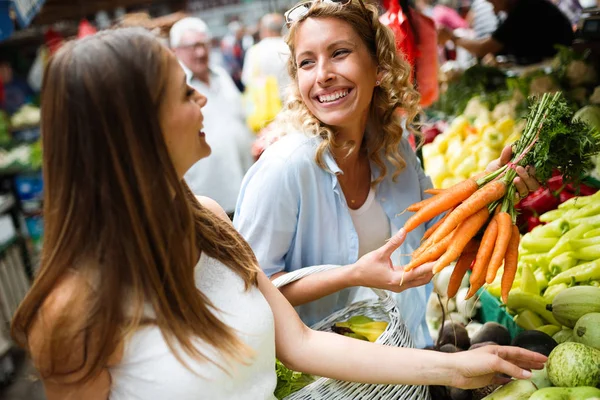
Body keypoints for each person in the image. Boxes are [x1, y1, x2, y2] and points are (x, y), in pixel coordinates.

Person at [10, 27, 546, 400]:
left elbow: (302, 343)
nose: (202, 101)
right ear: (132, 129)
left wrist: (457, 367)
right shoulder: (71, 312)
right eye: (182, 93)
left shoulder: (209, 221)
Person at [234, 0, 540, 349]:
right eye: (307, 62)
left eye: (339, 53)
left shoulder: (393, 147)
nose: (322, 75)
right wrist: (350, 276)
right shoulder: (286, 167)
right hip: (321, 381)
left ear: (378, 66)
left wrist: (490, 185)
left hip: (400, 356)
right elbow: (251, 289)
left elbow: (430, 230)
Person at [170, 17, 254, 217]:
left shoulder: (221, 75)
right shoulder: (175, 88)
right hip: (211, 196)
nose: (200, 52)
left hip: (244, 182)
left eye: (204, 45)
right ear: (176, 51)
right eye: (192, 47)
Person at [438, 0, 574, 65]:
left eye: (492, 3)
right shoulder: (521, 10)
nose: (493, 10)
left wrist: (452, 37)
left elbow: (482, 48)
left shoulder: (524, 9)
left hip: (559, 67)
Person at [241, 13, 291, 101]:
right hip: (291, 101)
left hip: (266, 107)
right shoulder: (290, 47)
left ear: (265, 30)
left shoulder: (254, 51)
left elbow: (246, 79)